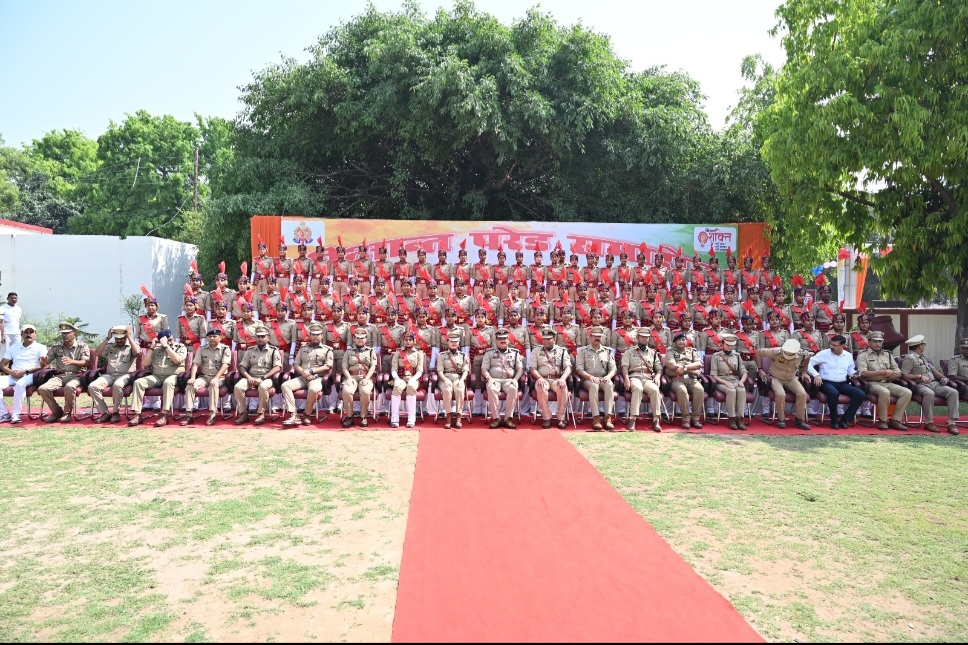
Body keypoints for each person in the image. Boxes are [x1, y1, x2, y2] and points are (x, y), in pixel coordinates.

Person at [900, 334, 960, 434]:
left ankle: (951, 423)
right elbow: (903, 375)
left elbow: (933, 371)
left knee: (953, 392)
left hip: (934, 383)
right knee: (929, 393)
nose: (924, 346)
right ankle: (929, 422)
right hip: (920, 385)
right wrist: (919, 376)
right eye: (923, 344)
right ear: (919, 346)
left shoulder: (922, 357)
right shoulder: (910, 358)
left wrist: (943, 377)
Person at [128, 329, 187, 427]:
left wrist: (166, 346)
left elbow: (177, 360)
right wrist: (152, 347)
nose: (169, 342)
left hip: (173, 376)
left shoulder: (180, 347)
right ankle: (137, 414)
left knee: (168, 382)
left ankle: (164, 415)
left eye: (170, 340)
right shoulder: (156, 348)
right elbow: (145, 363)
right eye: (166, 340)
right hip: (157, 376)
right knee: (138, 382)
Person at [807, 334, 866, 429]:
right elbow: (809, 363)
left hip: (842, 383)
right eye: (831, 344)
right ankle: (834, 421)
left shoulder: (848, 356)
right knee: (834, 393)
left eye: (835, 345)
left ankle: (845, 420)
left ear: (843, 346)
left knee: (860, 394)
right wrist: (816, 375)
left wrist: (855, 375)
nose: (832, 347)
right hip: (826, 382)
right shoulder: (824, 353)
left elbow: (850, 371)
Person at [855, 331, 911, 431]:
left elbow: (897, 369)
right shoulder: (863, 355)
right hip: (871, 383)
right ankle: (883, 420)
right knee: (884, 392)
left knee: (907, 392)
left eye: (880, 341)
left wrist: (896, 374)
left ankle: (895, 420)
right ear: (869, 342)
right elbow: (863, 373)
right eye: (875, 341)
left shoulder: (887, 354)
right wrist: (883, 372)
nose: (878, 344)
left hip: (887, 382)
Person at [37, 322, 92, 423]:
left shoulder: (82, 346)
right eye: (63, 333)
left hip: (76, 375)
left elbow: (86, 363)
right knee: (43, 389)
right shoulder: (57, 347)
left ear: (74, 333)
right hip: (60, 376)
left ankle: (67, 413)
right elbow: (46, 362)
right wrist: (43, 362)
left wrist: (72, 361)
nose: (65, 335)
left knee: (70, 387)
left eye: (67, 333)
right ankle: (57, 411)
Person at [281, 322, 333, 427]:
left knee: (313, 390)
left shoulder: (327, 350)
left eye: (318, 334)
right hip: (302, 377)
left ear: (322, 336)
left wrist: (311, 371)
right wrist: (303, 373)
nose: (315, 336)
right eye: (313, 334)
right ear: (310, 335)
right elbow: (296, 364)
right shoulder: (303, 348)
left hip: (316, 378)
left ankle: (307, 413)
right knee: (285, 385)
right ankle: (293, 414)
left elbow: (328, 366)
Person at [756, 338, 812, 429]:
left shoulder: (802, 354)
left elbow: (808, 357)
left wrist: (804, 372)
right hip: (776, 377)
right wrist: (760, 369)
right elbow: (758, 352)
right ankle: (781, 419)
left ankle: (800, 420)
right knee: (781, 394)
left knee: (802, 394)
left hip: (791, 378)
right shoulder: (776, 352)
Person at [88, 325, 138, 424]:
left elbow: (137, 352)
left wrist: (129, 337)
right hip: (110, 375)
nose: (119, 341)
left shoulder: (131, 346)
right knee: (92, 386)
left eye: (121, 338)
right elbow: (97, 353)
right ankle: (105, 412)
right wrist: (107, 338)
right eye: (117, 338)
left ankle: (115, 412)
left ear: (126, 336)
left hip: (125, 375)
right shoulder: (111, 346)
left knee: (117, 385)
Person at [182, 328, 232, 426]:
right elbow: (195, 363)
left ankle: (212, 414)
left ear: (220, 337)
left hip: (220, 378)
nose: (212, 338)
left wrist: (216, 378)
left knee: (213, 385)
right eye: (210, 336)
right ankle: (188, 415)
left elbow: (225, 365)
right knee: (190, 386)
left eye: (214, 336)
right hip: (204, 377)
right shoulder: (202, 348)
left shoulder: (225, 349)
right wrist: (192, 377)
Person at [234, 326, 283, 426]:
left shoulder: (274, 350)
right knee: (238, 387)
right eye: (258, 336)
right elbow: (242, 366)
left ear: (268, 337)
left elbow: (277, 367)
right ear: (255, 338)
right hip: (251, 377)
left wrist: (263, 378)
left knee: (263, 387)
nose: (260, 339)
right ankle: (243, 413)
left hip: (266, 378)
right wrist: (248, 377)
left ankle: (261, 413)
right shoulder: (250, 350)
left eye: (263, 336)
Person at [0, 323, 46, 424]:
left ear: (35, 334)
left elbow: (43, 366)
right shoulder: (14, 347)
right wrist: (11, 372)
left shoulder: (41, 347)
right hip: (13, 375)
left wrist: (25, 371)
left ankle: (16, 414)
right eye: (26, 332)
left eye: (31, 332)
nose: (29, 334)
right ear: (21, 334)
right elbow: (2, 364)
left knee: (20, 384)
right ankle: (4, 413)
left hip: (30, 375)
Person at [528, 325, 572, 429]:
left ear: (554, 339)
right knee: (541, 387)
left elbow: (568, 367)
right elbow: (532, 368)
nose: (546, 341)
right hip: (542, 378)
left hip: (557, 379)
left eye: (548, 339)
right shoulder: (536, 350)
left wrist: (563, 379)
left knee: (562, 387)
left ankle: (561, 418)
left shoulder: (562, 351)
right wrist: (539, 378)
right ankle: (547, 417)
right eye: (544, 339)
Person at [577, 326, 617, 431]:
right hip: (588, 379)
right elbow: (579, 369)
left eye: (599, 336)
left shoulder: (608, 351)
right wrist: (589, 376)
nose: (597, 338)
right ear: (590, 337)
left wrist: (608, 376)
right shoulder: (583, 351)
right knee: (594, 386)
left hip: (603, 378)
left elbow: (613, 368)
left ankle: (608, 417)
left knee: (609, 385)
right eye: (595, 336)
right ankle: (596, 418)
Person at [622, 327, 663, 432]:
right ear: (637, 337)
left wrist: (658, 376)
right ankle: (632, 419)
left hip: (648, 378)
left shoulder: (653, 353)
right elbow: (624, 366)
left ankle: (656, 420)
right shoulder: (629, 351)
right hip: (634, 377)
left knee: (655, 390)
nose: (645, 339)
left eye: (647, 337)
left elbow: (659, 368)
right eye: (642, 337)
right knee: (637, 388)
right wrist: (626, 379)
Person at [482, 327, 523, 428]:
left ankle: (508, 419)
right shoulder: (489, 353)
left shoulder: (515, 353)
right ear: (496, 341)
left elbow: (520, 369)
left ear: (508, 340)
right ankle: (496, 418)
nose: (503, 340)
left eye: (505, 338)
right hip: (494, 380)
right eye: (500, 339)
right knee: (491, 388)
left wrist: (515, 380)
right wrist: (489, 378)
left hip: (509, 380)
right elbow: (484, 369)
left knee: (513, 388)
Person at [665, 331, 705, 430]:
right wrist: (692, 370)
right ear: (674, 342)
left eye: (683, 340)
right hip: (677, 379)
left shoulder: (692, 351)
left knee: (700, 390)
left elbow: (699, 364)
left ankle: (695, 419)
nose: (682, 341)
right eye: (679, 340)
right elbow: (673, 366)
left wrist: (686, 367)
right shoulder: (670, 352)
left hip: (691, 379)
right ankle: (686, 419)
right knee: (682, 390)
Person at [710, 334, 748, 430]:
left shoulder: (737, 356)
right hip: (721, 382)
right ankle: (731, 418)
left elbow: (744, 372)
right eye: (727, 345)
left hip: (735, 380)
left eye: (732, 345)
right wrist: (725, 383)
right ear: (722, 344)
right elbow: (714, 375)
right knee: (731, 391)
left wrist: (742, 381)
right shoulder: (716, 356)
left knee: (742, 390)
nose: (730, 347)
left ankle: (740, 418)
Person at [341, 327, 378, 427]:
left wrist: (367, 378)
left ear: (366, 339)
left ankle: (363, 416)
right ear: (354, 339)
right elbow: (344, 367)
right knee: (346, 391)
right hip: (352, 377)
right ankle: (349, 417)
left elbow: (373, 366)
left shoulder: (371, 351)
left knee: (365, 391)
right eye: (358, 338)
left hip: (365, 377)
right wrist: (348, 378)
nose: (360, 340)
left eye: (362, 338)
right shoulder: (348, 352)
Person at [390, 331, 424, 428]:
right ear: (403, 341)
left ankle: (411, 418)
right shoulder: (398, 353)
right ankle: (394, 418)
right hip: (401, 378)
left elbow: (420, 370)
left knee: (411, 386)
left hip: (413, 378)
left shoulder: (418, 354)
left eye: (410, 340)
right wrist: (396, 378)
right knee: (397, 387)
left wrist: (413, 379)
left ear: (414, 341)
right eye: (406, 340)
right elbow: (394, 369)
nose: (408, 342)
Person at [437, 329, 470, 429]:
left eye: (456, 341)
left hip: (458, 378)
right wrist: (445, 380)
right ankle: (449, 416)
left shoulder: (463, 356)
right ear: (448, 342)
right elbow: (440, 371)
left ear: (459, 343)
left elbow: (465, 370)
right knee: (447, 390)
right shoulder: (441, 355)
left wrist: (462, 380)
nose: (454, 343)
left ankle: (459, 416)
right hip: (445, 378)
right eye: (451, 341)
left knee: (459, 389)